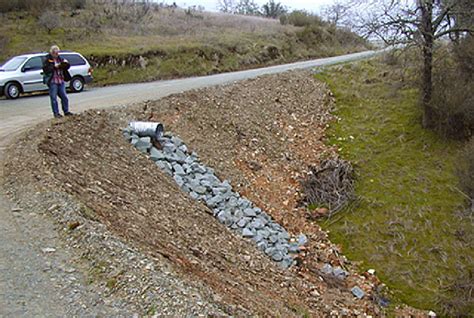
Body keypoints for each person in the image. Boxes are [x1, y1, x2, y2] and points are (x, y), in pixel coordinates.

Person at [42, 45, 73, 118]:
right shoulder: (47, 59)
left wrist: (65, 64)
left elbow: (67, 67)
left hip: (61, 80)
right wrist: (54, 66)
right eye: (55, 53)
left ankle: (66, 111)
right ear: (52, 52)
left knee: (64, 97)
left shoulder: (61, 59)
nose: (56, 54)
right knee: (53, 98)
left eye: (57, 52)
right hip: (53, 81)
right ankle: (56, 113)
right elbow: (45, 69)